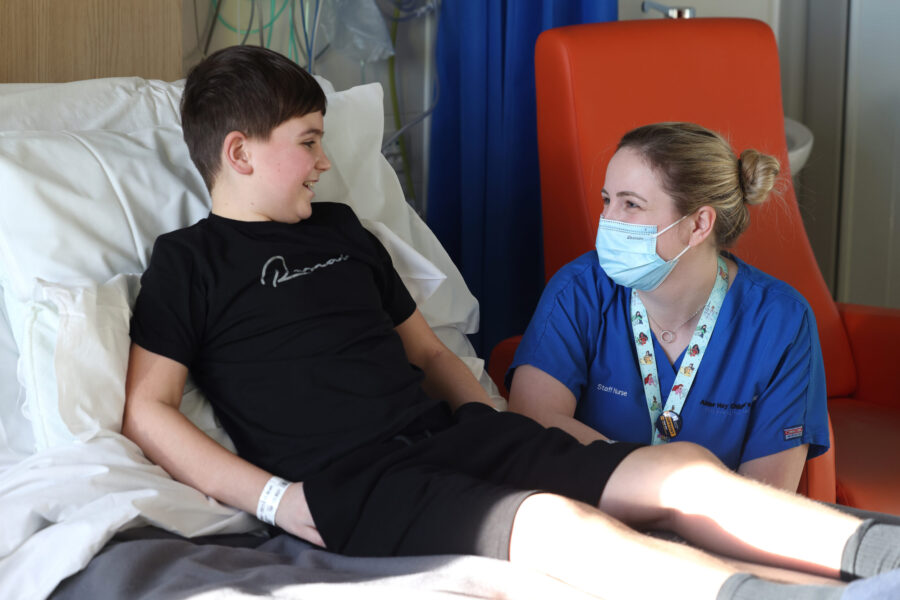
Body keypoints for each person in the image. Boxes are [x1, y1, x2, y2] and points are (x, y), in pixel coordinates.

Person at [122, 45, 900, 600]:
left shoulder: (341, 230)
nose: (325, 161)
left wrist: (484, 417)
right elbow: (147, 408)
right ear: (241, 152)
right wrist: (273, 502)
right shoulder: (190, 262)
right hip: (353, 480)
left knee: (681, 470)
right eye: (308, 142)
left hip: (453, 434)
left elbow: (426, 348)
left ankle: (880, 550)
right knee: (553, 525)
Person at [508, 122, 823, 491]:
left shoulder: (781, 322)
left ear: (698, 224)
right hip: (588, 517)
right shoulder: (579, 290)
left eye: (631, 204)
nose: (607, 221)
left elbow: (769, 498)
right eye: (607, 200)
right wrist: (654, 479)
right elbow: (532, 423)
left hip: (712, 535)